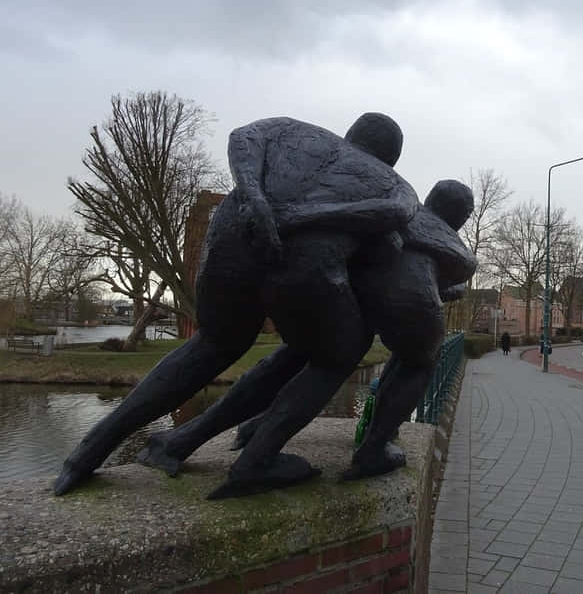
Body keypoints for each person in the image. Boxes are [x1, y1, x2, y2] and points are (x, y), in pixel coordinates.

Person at [54, 113, 419, 496]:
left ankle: (85, 454)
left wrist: (254, 196)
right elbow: (393, 219)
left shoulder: (292, 129)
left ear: (350, 133)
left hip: (233, 233)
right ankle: (255, 463)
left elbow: (244, 137)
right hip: (306, 263)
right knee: (338, 355)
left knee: (212, 344)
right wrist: (303, 221)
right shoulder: (394, 185)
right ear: (390, 158)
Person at [135, 179, 476, 497]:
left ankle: (191, 438)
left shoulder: (401, 209)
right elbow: (451, 278)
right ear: (461, 218)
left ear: (430, 197)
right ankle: (373, 448)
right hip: (405, 305)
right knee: (419, 360)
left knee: (294, 355)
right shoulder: (451, 243)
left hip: (349, 293)